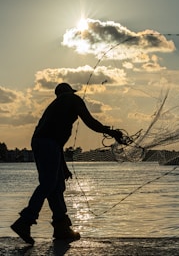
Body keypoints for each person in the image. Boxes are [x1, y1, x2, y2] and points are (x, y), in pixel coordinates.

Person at [11, 83, 123, 245]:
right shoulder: (72, 98)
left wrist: (63, 167)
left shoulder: (56, 106)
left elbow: (57, 142)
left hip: (43, 143)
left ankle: (61, 228)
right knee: (48, 184)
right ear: (68, 92)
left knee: (56, 186)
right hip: (47, 144)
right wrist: (111, 132)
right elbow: (90, 121)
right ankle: (25, 221)